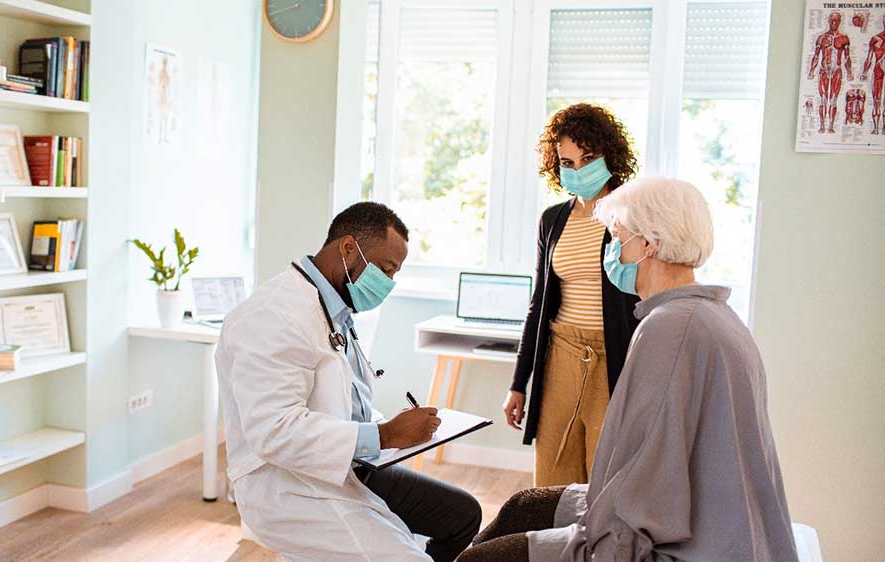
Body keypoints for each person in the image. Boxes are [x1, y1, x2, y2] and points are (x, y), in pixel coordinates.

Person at [457, 177, 798, 562]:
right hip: (706, 516)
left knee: (480, 560)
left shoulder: (669, 328)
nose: (612, 250)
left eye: (617, 237)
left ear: (648, 243)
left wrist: (596, 547)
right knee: (523, 506)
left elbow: (643, 486)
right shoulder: (715, 315)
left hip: (688, 540)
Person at [217, 202, 482, 562]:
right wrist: (385, 435)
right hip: (287, 485)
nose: (388, 284)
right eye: (386, 269)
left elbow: (339, 397)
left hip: (348, 465)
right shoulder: (274, 315)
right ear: (347, 248)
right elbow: (274, 431)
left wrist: (388, 428)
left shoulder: (335, 309)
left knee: (462, 515)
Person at [503, 103, 640, 487]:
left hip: (613, 359)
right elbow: (538, 305)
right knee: (552, 473)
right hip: (560, 355)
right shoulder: (553, 220)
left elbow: (645, 300)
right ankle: (553, 547)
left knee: (606, 473)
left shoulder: (632, 215)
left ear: (609, 155)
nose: (578, 170)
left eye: (588, 158)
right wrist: (518, 383)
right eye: (568, 162)